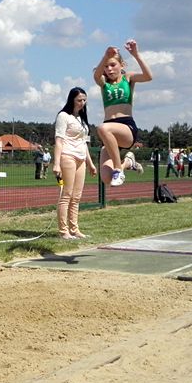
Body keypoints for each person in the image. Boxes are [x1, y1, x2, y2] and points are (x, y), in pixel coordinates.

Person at [93, 40, 153, 186]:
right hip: (109, 133)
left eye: (113, 65)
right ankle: (128, 162)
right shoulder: (103, 83)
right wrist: (105, 56)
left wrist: (136, 55)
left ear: (122, 65)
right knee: (107, 179)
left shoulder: (128, 78)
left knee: (102, 128)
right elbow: (96, 76)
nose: (109, 69)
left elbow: (148, 76)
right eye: (106, 66)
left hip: (126, 127)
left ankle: (119, 169)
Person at [52, 87, 97, 239]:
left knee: (77, 197)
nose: (82, 103)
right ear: (72, 99)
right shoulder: (63, 116)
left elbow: (84, 143)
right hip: (67, 156)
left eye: (84, 100)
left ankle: (74, 229)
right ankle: (63, 231)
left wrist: (90, 163)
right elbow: (59, 140)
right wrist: (56, 163)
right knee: (67, 194)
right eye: (79, 100)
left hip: (81, 159)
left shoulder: (82, 120)